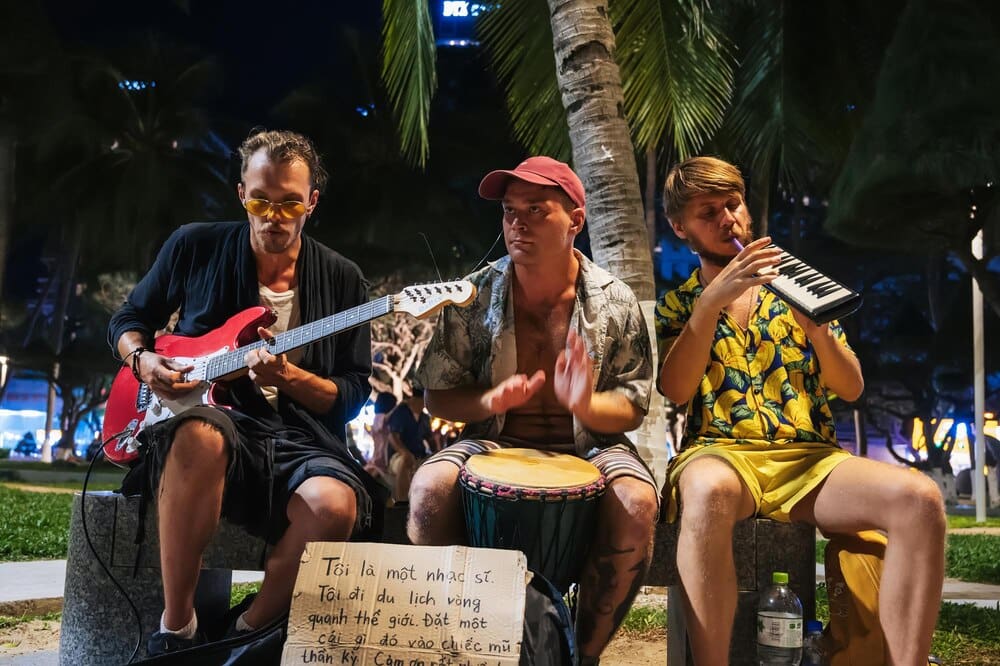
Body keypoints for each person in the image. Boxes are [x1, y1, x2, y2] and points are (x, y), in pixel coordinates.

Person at [654, 156, 946, 665]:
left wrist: (817, 329)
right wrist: (710, 305)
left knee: (920, 499)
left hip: (809, 461)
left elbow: (850, 387)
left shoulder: (802, 289)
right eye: (708, 213)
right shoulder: (679, 304)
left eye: (733, 205)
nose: (728, 219)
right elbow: (675, 390)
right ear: (681, 228)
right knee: (707, 491)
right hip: (721, 453)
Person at [108, 129, 382, 655]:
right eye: (260, 200)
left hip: (299, 440)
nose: (273, 215)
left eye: (289, 203)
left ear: (312, 203)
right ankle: (177, 630)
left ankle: (241, 635)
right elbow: (128, 318)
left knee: (334, 506)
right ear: (241, 195)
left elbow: (350, 394)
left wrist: (290, 379)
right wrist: (141, 361)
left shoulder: (344, 279)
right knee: (202, 435)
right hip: (211, 425)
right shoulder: (194, 244)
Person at [410, 156, 658, 663]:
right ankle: (467, 647)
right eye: (509, 211)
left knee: (637, 504)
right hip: (494, 439)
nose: (516, 223)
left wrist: (585, 403)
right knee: (427, 489)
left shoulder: (615, 299)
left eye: (536, 210)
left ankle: (580, 654)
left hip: (593, 445)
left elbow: (633, 405)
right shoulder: (473, 296)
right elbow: (437, 394)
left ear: (576, 221)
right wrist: (488, 401)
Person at [385, 384, 432, 503]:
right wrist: (405, 453)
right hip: (398, 456)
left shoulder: (425, 418)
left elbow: (430, 438)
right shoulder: (401, 412)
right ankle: (402, 502)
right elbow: (392, 436)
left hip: (419, 454)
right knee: (406, 460)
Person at [363, 391, 398, 487]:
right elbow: (385, 419)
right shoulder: (379, 417)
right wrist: (399, 408)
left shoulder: (379, 419)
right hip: (380, 458)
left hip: (379, 457)